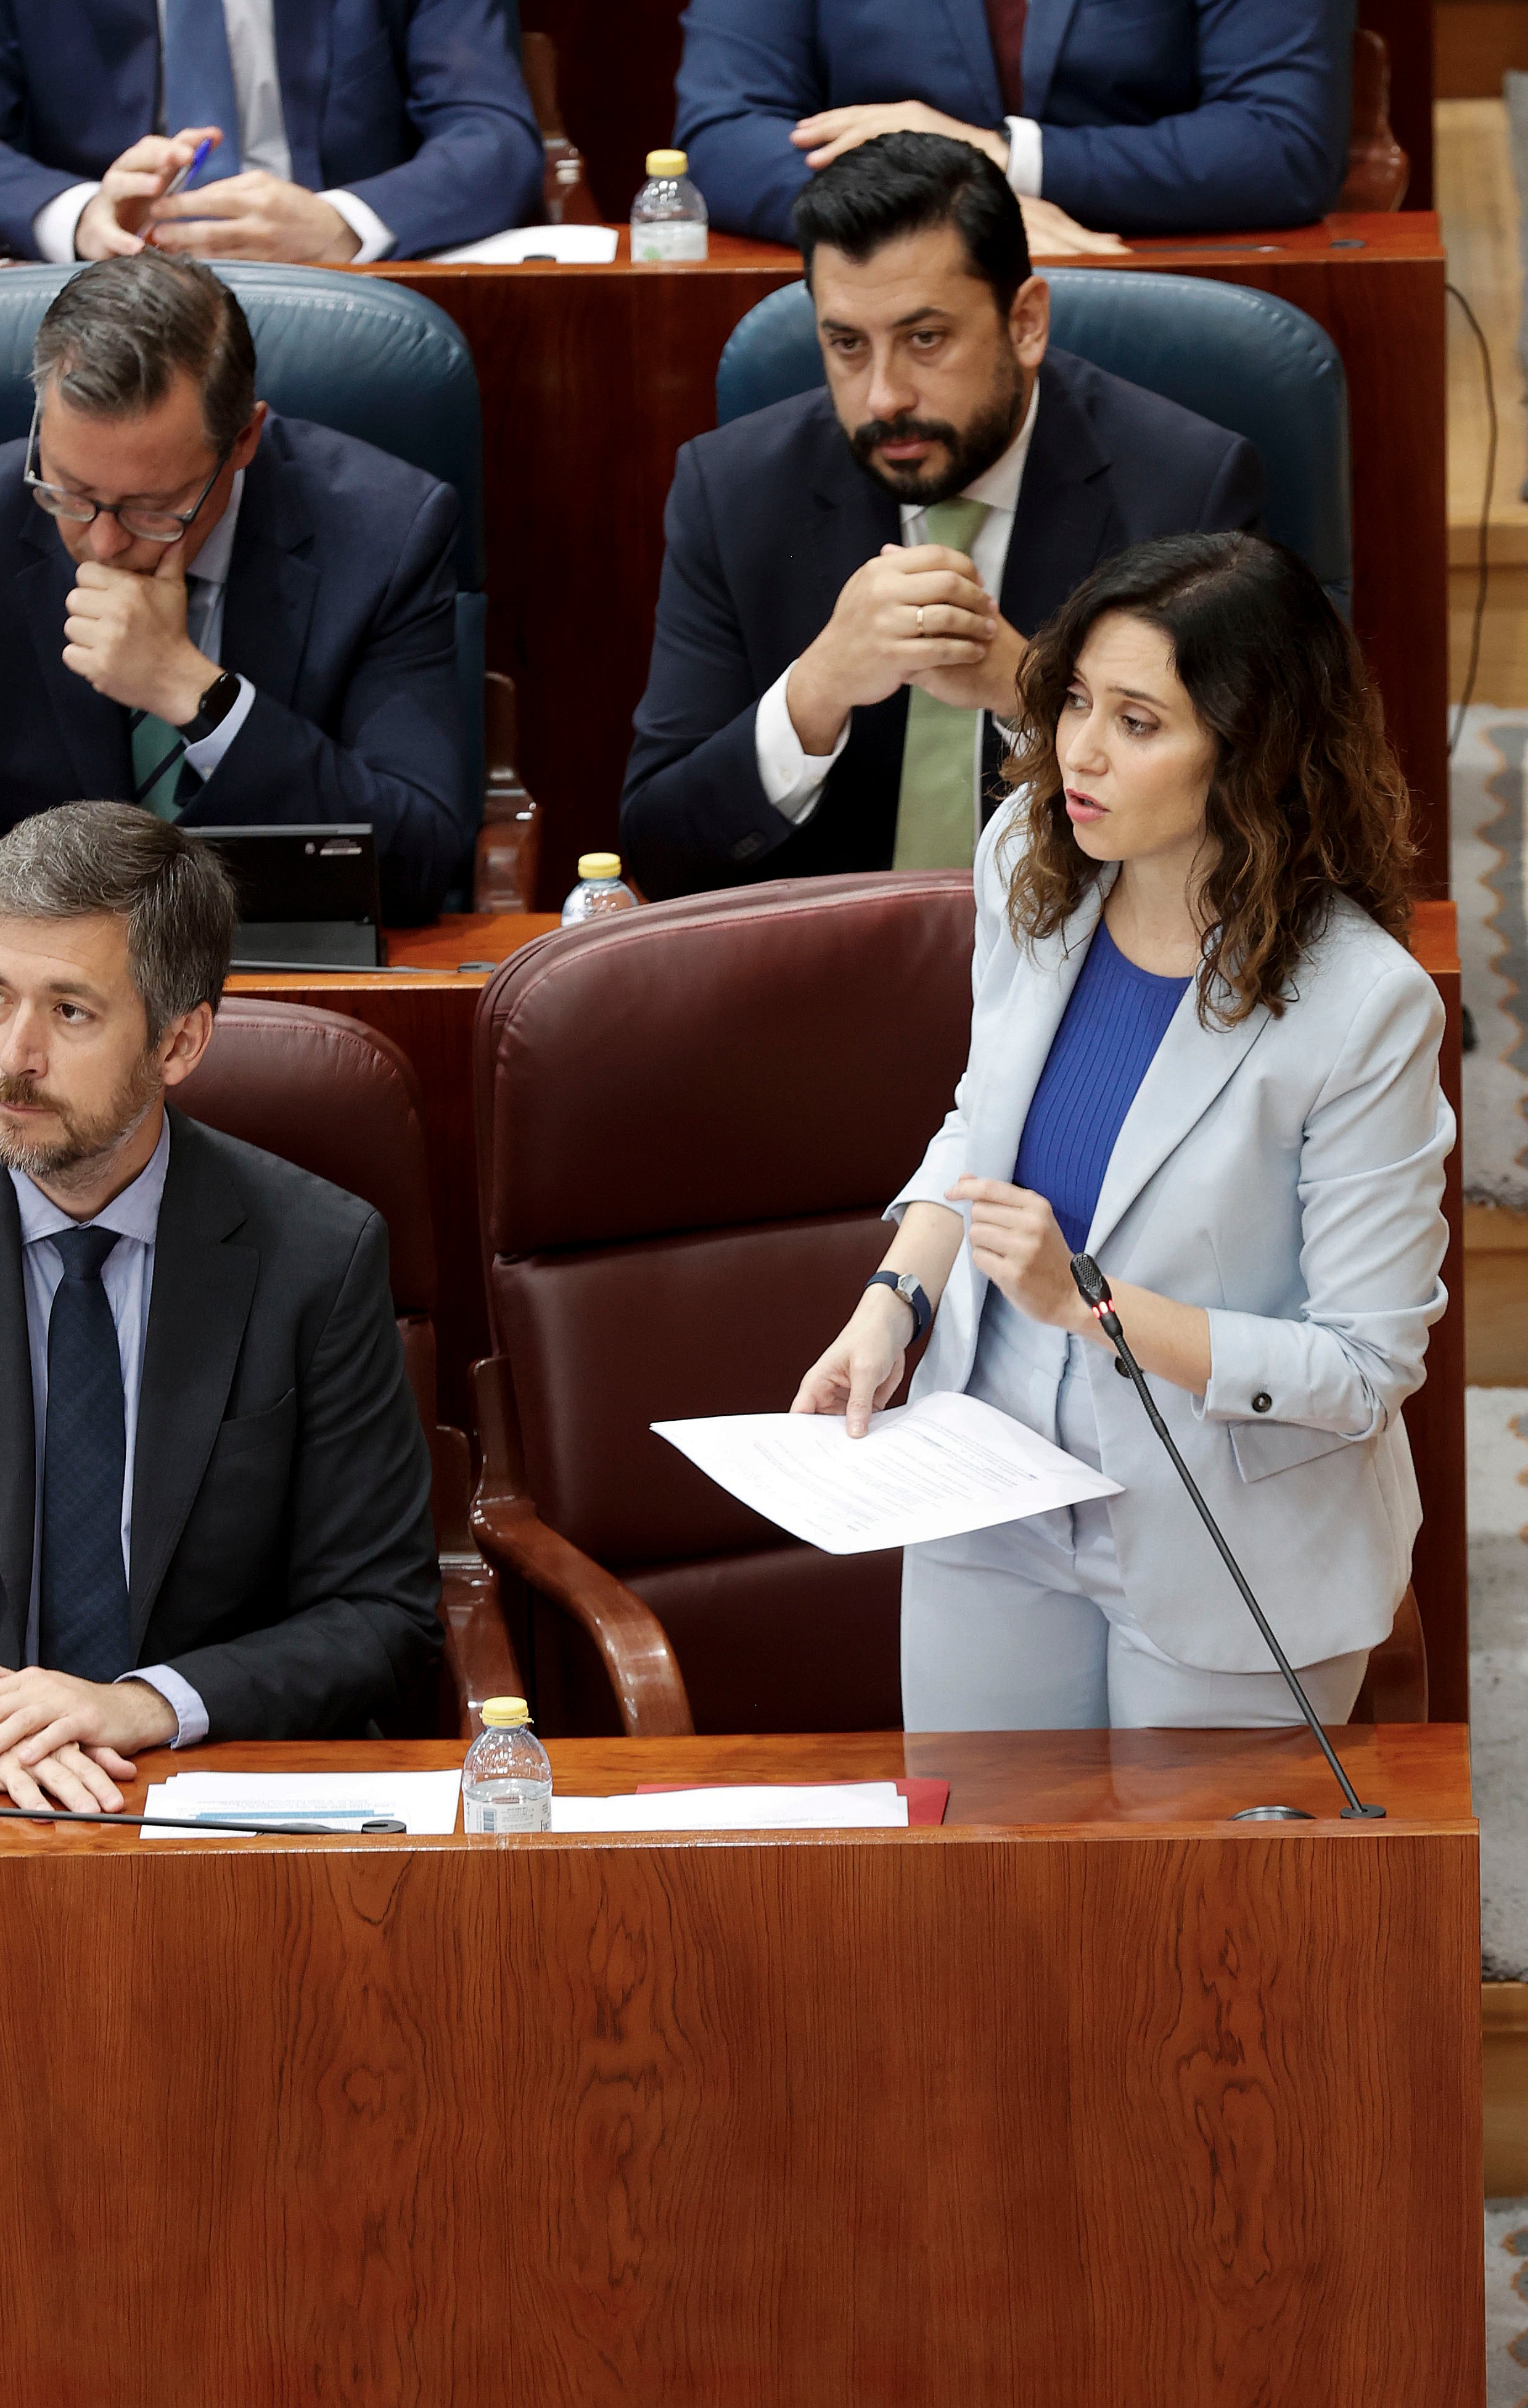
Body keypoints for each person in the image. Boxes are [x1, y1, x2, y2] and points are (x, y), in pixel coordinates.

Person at [793, 531, 1452, 1732]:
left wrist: (1088, 1304)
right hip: (986, 1488)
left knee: (1185, 1923)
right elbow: (977, 1126)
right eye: (1077, 700)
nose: (1078, 751)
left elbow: (1361, 1368)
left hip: (1226, 1530)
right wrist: (895, 1298)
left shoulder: (1361, 1007)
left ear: (1250, 755)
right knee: (981, 1897)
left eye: (1136, 722)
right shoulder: (1026, 862)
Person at [0, 802, 442, 1814]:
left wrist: (146, 1704)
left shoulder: (315, 1256)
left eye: (69, 1012)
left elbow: (383, 1615)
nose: (10, 1057)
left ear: (179, 1042)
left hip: (202, 1789)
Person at [620, 135, 1262, 900]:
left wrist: (1032, 691)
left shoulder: (1184, 487)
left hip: (1088, 964)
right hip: (821, 980)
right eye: (846, 345)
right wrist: (815, 690)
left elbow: (1245, 821)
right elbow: (659, 851)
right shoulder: (732, 490)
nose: (883, 396)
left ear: (1024, 323)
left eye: (925, 340)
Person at [0, 250, 467, 923]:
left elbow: (416, 860)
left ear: (243, 440)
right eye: (71, 491)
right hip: (22, 972)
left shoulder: (386, 533)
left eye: (153, 507)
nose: (104, 542)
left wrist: (196, 695)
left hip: (275, 968)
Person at [673, 0, 1353, 250]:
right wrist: (942, 199)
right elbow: (722, 136)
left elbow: (1278, 142)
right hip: (878, 306)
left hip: (1147, 286)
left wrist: (1007, 158)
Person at [0, 0, 542, 265]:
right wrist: (85, 216)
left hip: (341, 296)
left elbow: (493, 135)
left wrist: (342, 224)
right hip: (104, 302)